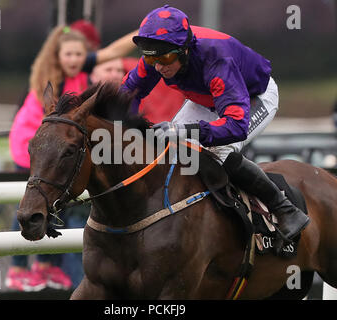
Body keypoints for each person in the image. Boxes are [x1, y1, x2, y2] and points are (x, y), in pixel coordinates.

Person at [120, 5, 309, 243]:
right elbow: (127, 95)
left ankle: (284, 209)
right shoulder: (160, 51)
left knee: (220, 151)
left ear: (185, 50)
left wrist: (182, 130)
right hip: (205, 98)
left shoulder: (217, 59)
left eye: (165, 58)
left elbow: (235, 126)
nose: (158, 66)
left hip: (252, 97)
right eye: (151, 57)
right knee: (172, 151)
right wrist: (129, 128)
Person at [6, 24, 137, 292]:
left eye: (80, 55)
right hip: (34, 143)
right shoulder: (51, 74)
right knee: (37, 194)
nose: (75, 60)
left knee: (53, 194)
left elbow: (113, 51)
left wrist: (143, 32)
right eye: (69, 54)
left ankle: (45, 265)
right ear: (57, 56)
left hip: (57, 145)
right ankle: (18, 268)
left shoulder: (81, 72)